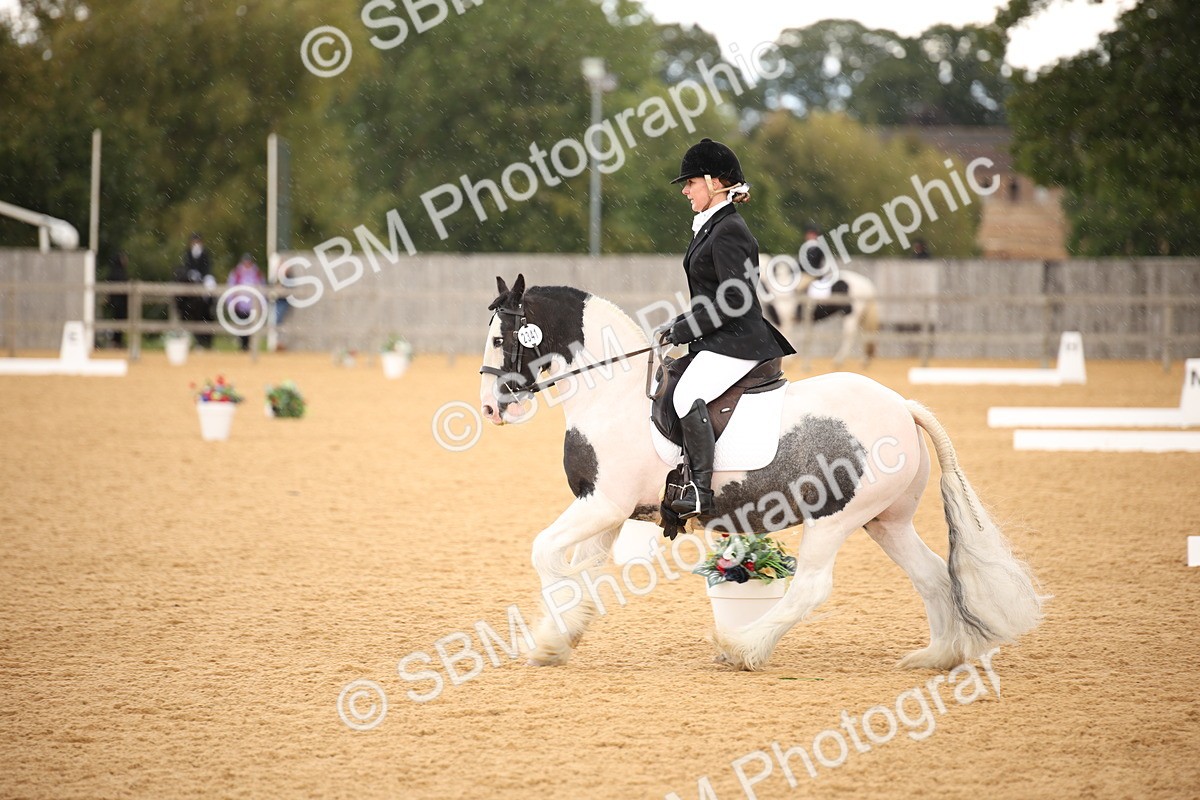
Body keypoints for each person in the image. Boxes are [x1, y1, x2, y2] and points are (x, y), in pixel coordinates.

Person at [657, 138, 796, 519]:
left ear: (714, 182)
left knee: (686, 395)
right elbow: (711, 296)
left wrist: (687, 329)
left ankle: (699, 491)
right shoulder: (711, 227)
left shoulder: (729, 230)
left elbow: (735, 298)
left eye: (690, 183)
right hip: (719, 340)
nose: (685, 191)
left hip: (739, 342)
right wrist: (679, 324)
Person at [173, 232, 216, 348]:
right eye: (194, 241)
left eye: (197, 241)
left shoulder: (205, 253)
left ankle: (210, 302)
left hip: (204, 277)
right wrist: (191, 273)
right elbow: (186, 266)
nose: (196, 243)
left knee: (210, 283)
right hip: (191, 277)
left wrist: (201, 275)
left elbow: (207, 267)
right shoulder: (188, 253)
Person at [226, 252, 265, 351]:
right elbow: (231, 288)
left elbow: (262, 288)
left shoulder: (257, 273)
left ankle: (249, 347)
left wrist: (262, 303)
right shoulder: (237, 273)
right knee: (242, 327)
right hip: (240, 305)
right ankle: (243, 346)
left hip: (253, 306)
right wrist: (230, 303)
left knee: (251, 328)